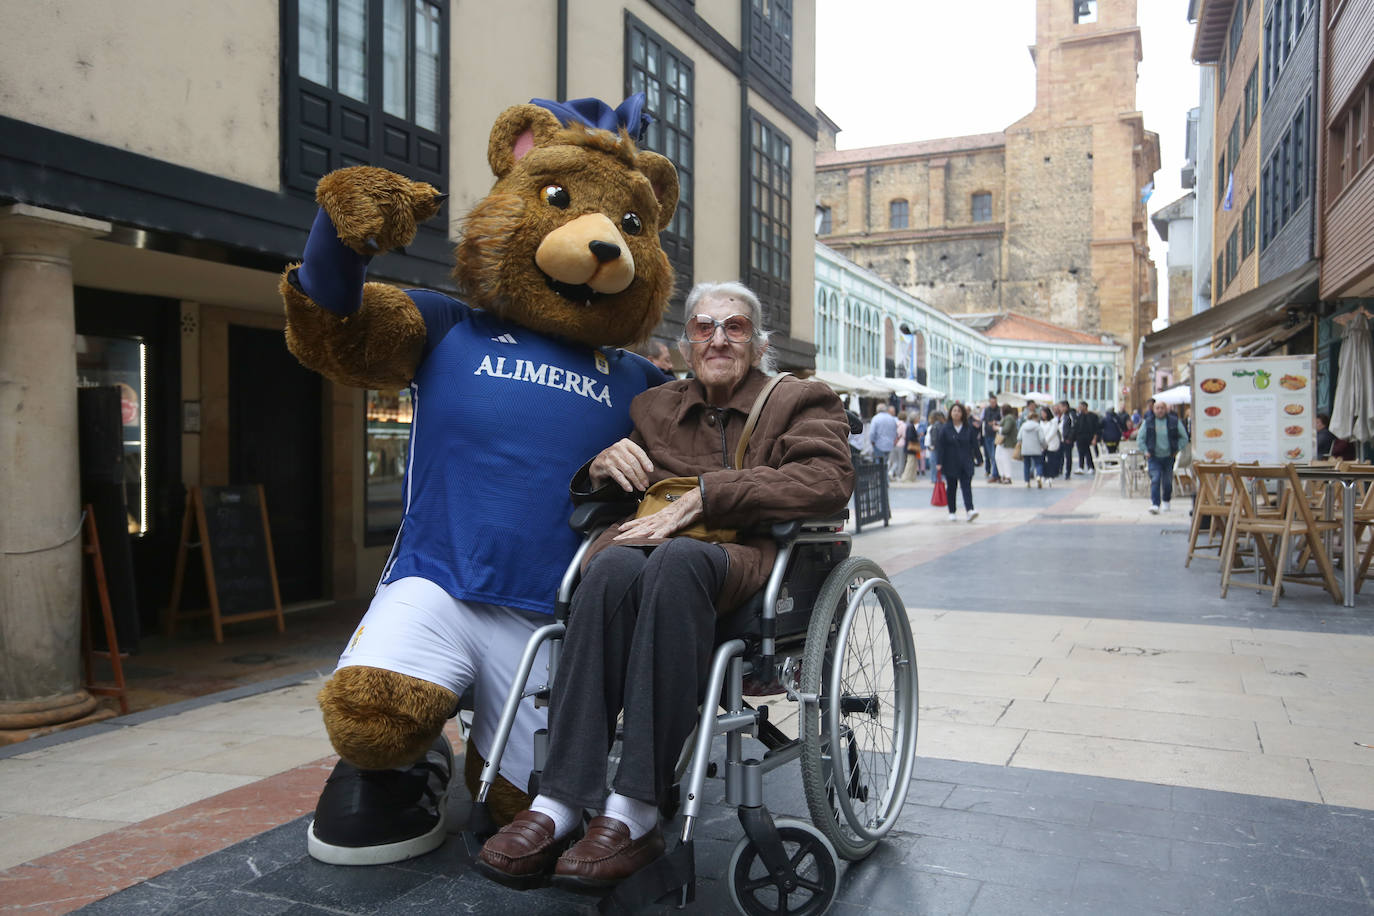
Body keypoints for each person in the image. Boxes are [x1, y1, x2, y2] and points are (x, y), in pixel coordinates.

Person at [477, 281, 853, 891]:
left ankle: (637, 810)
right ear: (685, 346)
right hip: (650, 554)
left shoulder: (801, 401)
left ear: (757, 343)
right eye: (704, 328)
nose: (718, 339)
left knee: (676, 561)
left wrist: (713, 494)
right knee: (609, 564)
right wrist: (601, 471)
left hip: (742, 557)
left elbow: (828, 480)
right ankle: (560, 803)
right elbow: (631, 489)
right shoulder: (656, 407)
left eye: (734, 327)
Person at [936, 402, 981, 522]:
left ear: (963, 414)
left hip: (966, 462)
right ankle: (952, 511)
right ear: (950, 413)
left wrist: (979, 458)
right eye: (954, 411)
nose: (956, 413)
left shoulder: (968, 428)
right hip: (950, 462)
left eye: (959, 411)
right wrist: (939, 462)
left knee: (966, 486)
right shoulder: (945, 428)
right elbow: (940, 446)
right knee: (951, 487)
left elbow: (974, 445)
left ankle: (970, 510)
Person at [1141, 400, 1188, 514]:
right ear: (1153, 409)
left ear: (1166, 409)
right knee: (1155, 479)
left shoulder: (1174, 421)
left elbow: (1184, 437)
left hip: (1168, 456)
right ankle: (1155, 504)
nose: (1160, 410)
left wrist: (1177, 448)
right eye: (1157, 408)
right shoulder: (1148, 422)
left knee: (1167, 481)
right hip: (1154, 457)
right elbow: (1140, 439)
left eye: (1162, 408)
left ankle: (1166, 500)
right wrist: (1145, 451)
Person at [1018, 407, 1046, 487]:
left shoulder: (1023, 426)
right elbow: (1042, 438)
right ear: (1035, 418)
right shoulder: (1038, 426)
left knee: (1026, 465)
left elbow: (1019, 437)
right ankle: (1038, 476)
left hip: (1025, 449)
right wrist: (1044, 446)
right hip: (1036, 448)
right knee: (1038, 464)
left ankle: (1027, 481)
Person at [869, 404, 899, 472]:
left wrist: (872, 441)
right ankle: (885, 480)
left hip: (878, 444)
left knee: (879, 463)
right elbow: (895, 432)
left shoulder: (876, 418)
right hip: (889, 444)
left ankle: (880, 480)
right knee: (886, 463)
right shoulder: (891, 418)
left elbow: (872, 432)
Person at [1074, 401, 1100, 473]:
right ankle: (1080, 467)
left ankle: (1091, 467)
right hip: (1080, 438)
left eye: (1080, 406)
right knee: (1081, 452)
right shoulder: (1079, 416)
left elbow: (1096, 428)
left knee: (1090, 453)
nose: (1079, 408)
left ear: (1085, 407)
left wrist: (1095, 438)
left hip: (1090, 437)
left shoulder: (1093, 416)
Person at [981, 395, 1002, 482]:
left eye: (994, 402)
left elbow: (1001, 420)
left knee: (994, 456)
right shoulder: (986, 410)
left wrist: (995, 422)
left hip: (996, 435)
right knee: (989, 455)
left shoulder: (999, 410)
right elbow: (983, 419)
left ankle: (995, 475)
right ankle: (991, 472)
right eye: (991, 402)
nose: (993, 404)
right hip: (987, 434)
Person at [996, 405, 1018, 483]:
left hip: (1007, 442)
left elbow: (1006, 429)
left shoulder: (1009, 418)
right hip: (1003, 443)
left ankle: (1007, 477)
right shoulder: (1008, 417)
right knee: (999, 458)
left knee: (1006, 460)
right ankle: (1003, 475)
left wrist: (998, 428)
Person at [1038, 405, 1060, 483]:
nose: (1043, 415)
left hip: (1051, 444)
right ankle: (1044, 475)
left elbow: (1052, 432)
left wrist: (1045, 442)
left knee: (1051, 460)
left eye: (1044, 413)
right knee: (1042, 460)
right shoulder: (1041, 422)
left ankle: (1050, 476)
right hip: (1043, 445)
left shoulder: (1054, 421)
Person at [1056, 401, 1076, 481]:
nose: (1059, 409)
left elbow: (1074, 427)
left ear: (1065, 407)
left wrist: (1070, 438)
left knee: (1068, 456)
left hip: (1067, 440)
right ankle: (1059, 470)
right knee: (1059, 455)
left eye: (1060, 407)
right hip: (1060, 439)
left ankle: (1068, 472)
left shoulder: (1070, 415)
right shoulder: (1062, 416)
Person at [889, 409, 908, 480]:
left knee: (894, 460)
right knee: (901, 460)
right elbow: (905, 436)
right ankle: (898, 475)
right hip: (901, 444)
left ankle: (891, 471)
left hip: (894, 443)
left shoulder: (894, 423)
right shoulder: (904, 425)